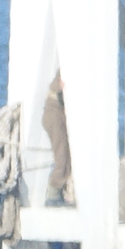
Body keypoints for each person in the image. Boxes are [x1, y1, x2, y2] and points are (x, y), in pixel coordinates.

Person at [42, 70, 73, 206]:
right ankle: (53, 194)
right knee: (62, 155)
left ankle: (57, 192)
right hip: (55, 113)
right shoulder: (66, 69)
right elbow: (60, 86)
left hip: (55, 112)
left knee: (64, 155)